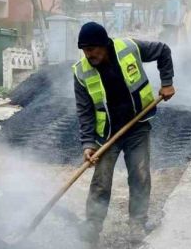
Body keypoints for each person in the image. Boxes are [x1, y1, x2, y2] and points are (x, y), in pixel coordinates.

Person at [73, 22, 176, 245]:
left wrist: (167, 82)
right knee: (101, 182)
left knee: (140, 176)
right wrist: (88, 144)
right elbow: (84, 111)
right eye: (84, 50)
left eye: (92, 49)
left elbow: (163, 51)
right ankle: (92, 226)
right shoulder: (81, 71)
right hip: (107, 135)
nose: (88, 55)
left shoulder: (129, 48)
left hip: (136, 126)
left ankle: (137, 224)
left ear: (104, 44)